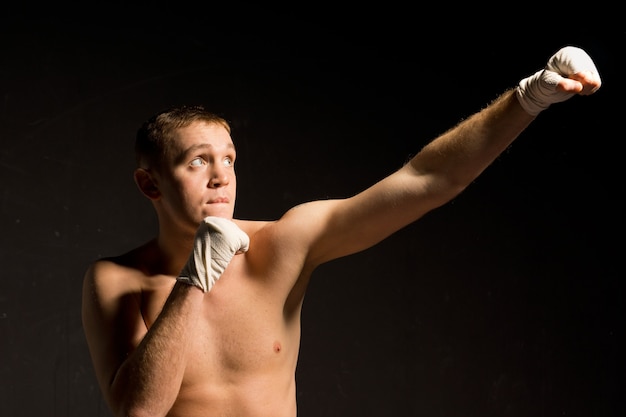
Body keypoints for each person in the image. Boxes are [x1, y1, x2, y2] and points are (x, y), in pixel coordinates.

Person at [81, 45, 602, 417]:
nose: (221, 176)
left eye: (229, 159)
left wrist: (527, 98)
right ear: (150, 184)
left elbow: (427, 179)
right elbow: (138, 410)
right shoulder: (116, 281)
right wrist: (194, 279)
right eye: (198, 161)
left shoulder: (280, 246)